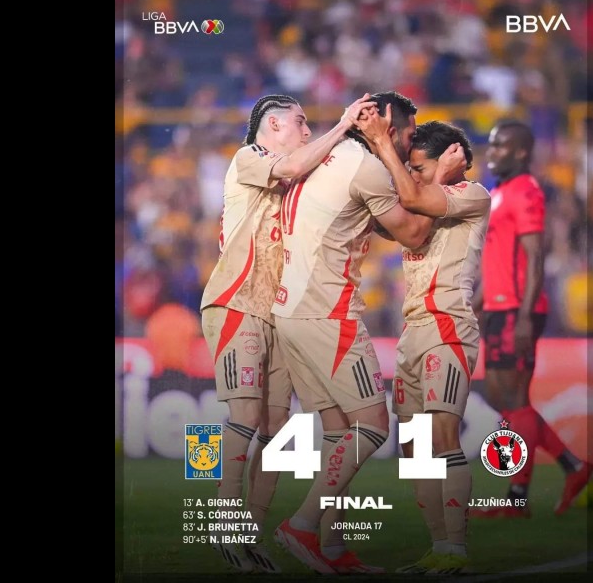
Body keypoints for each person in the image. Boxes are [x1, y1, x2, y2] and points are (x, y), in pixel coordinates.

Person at [270, 92, 463, 574]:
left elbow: (378, 221)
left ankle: (332, 548)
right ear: (386, 127)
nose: (411, 143)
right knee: (373, 425)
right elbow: (413, 234)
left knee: (340, 433)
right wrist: (439, 179)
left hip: (290, 311)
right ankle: (302, 525)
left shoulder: (331, 156)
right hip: (327, 313)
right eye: (409, 133)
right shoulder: (366, 167)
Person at [200, 93, 376, 572]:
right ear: (274, 125)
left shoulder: (296, 175)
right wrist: (342, 126)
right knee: (245, 413)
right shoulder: (249, 156)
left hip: (279, 311)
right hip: (237, 301)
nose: (306, 130)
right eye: (300, 121)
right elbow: (297, 163)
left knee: (278, 430)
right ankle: (225, 526)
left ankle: (252, 533)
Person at [358, 114, 490, 574]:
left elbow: (414, 198)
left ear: (448, 160)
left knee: (442, 436)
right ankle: (438, 546)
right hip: (412, 331)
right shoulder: (420, 200)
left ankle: (456, 550)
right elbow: (389, 215)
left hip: (447, 326)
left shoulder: (472, 194)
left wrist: (427, 172)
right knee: (414, 449)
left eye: (418, 166)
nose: (411, 175)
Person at [470, 120, 593, 519]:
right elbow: (495, 260)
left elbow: (535, 256)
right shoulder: (498, 193)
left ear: (521, 152)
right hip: (498, 307)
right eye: (491, 145)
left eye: (500, 146)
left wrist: (524, 316)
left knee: (514, 400)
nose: (492, 153)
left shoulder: (526, 191)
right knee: (503, 399)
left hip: (516, 309)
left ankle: (517, 498)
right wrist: (476, 304)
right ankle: (575, 467)